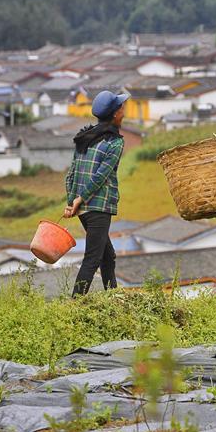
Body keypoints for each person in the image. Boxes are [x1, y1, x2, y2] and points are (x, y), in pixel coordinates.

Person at [64, 90, 128, 296]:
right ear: (115, 114)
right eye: (122, 108)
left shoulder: (85, 136)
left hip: (83, 208)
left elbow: (71, 174)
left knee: (108, 256)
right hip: (98, 207)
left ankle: (113, 296)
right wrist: (79, 199)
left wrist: (72, 201)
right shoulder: (114, 142)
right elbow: (100, 176)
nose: (124, 112)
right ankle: (75, 303)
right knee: (93, 257)